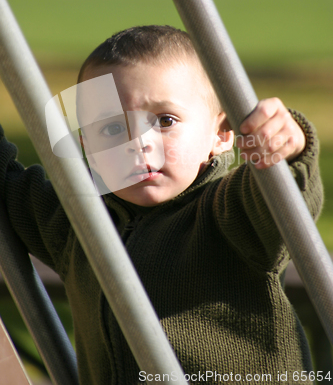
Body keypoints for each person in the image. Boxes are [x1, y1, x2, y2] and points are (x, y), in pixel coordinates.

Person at [0, 25, 323, 384]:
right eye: (109, 129)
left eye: (165, 121)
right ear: (86, 145)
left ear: (222, 134)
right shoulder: (77, 222)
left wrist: (285, 151)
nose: (138, 142)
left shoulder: (228, 213)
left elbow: (282, 204)